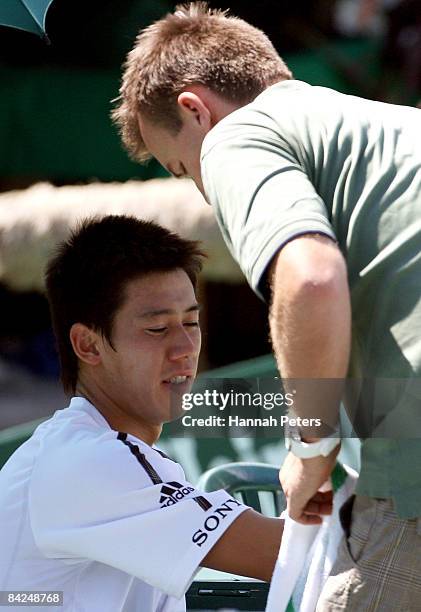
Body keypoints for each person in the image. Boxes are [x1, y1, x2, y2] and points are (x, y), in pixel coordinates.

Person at [112, 3, 421, 610]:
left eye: (184, 169)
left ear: (194, 110)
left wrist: (310, 448)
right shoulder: (392, 125)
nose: (202, 188)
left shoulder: (236, 135)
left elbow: (309, 280)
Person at [0, 215, 295, 611]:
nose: (186, 348)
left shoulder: (82, 446)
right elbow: (285, 555)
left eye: (192, 321)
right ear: (88, 345)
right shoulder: (93, 461)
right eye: (157, 329)